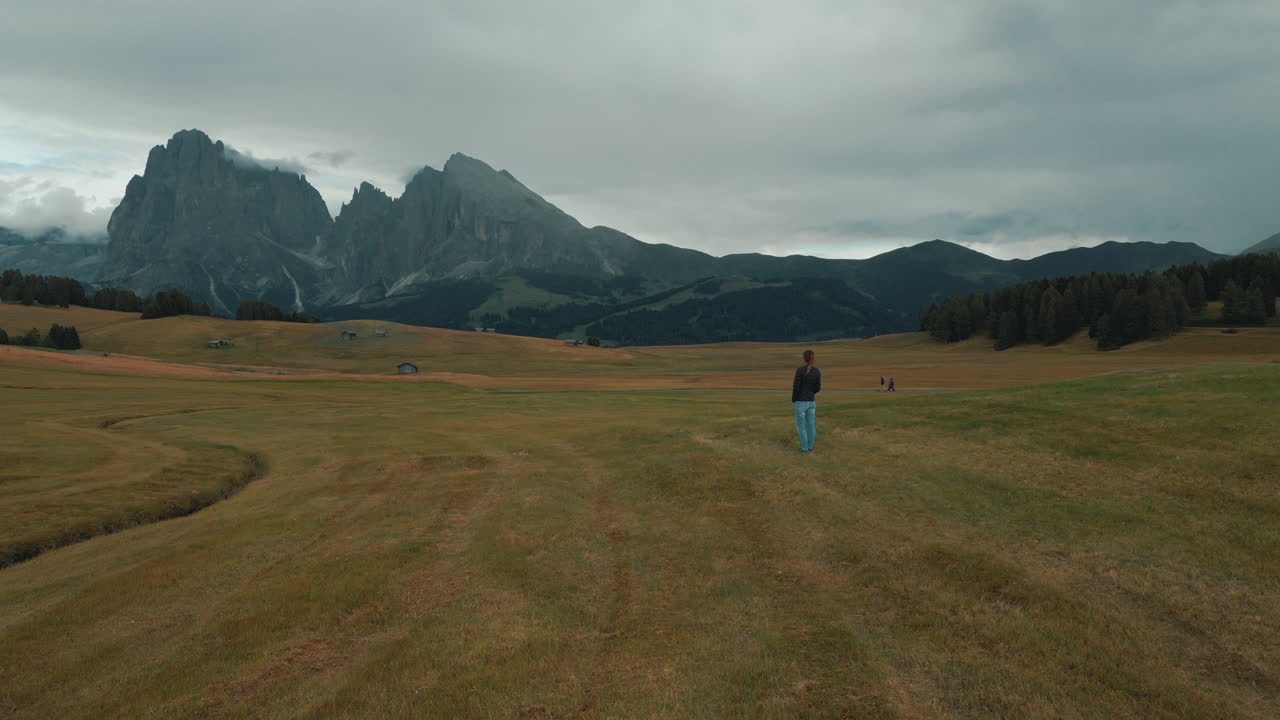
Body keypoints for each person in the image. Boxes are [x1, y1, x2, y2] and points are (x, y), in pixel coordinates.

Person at [791, 349, 821, 452]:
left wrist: (794, 399)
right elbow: (818, 388)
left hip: (800, 402)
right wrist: (811, 393)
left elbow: (796, 387)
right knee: (811, 425)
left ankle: (804, 448)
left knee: (801, 427)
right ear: (813, 358)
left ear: (804, 358)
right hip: (811, 401)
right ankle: (810, 447)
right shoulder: (817, 371)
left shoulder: (800, 370)